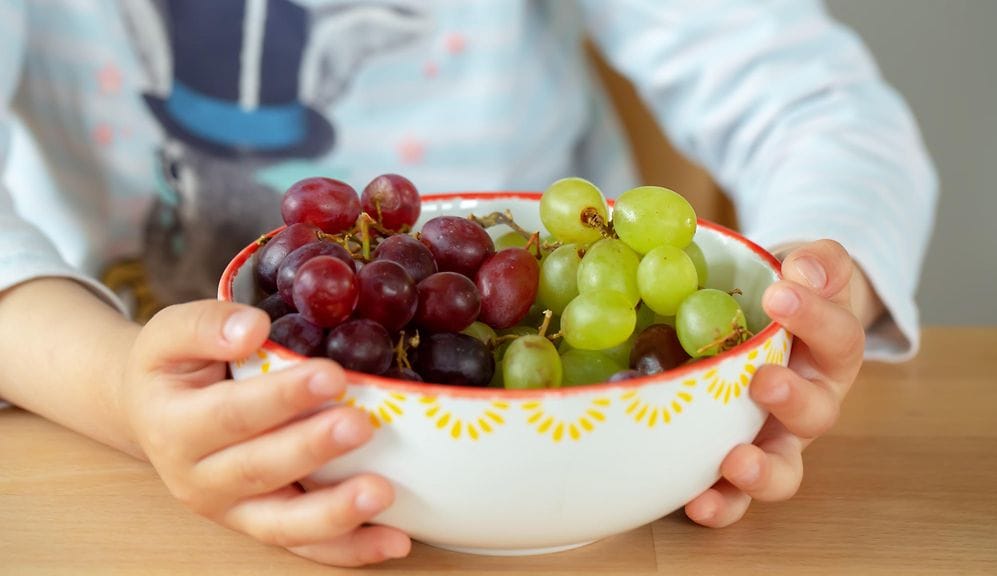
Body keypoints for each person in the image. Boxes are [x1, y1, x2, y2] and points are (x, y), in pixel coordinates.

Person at [0, 0, 936, 568]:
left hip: (589, 421)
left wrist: (812, 302)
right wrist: (118, 389)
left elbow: (819, 108)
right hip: (123, 421)